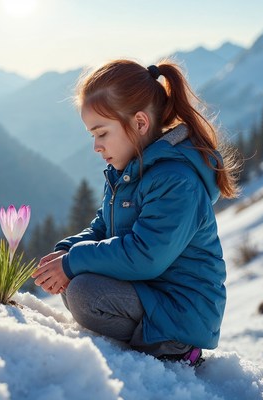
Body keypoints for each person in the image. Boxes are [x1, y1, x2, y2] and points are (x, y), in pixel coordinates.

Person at [32, 59, 240, 365]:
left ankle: (175, 348)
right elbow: (103, 226)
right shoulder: (128, 171)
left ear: (140, 123)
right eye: (92, 136)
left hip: (182, 310)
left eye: (102, 133)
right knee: (73, 285)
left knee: (84, 293)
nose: (96, 147)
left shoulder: (176, 181)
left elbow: (146, 256)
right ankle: (143, 342)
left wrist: (73, 262)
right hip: (150, 291)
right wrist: (67, 251)